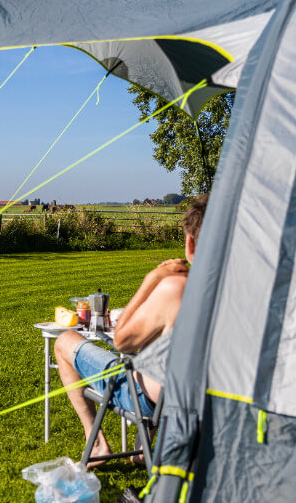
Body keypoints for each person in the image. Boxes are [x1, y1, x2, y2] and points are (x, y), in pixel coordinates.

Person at [55, 194, 208, 466]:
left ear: (191, 244)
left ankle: (98, 442)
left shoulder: (177, 289)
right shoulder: (246, 291)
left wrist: (152, 280)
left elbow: (123, 341)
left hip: (153, 400)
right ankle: (143, 448)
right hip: (210, 401)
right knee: (158, 341)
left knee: (65, 341)